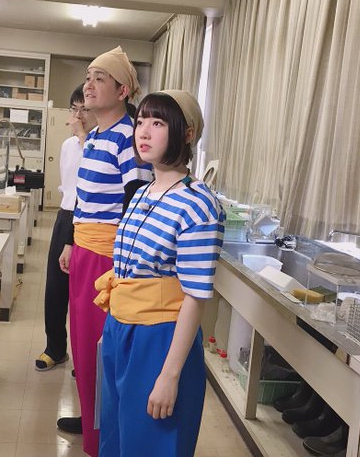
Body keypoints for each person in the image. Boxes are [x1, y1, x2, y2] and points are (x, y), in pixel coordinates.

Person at [94, 91, 225, 457]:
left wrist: (169, 375)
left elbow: (195, 296)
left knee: (150, 443)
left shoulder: (199, 204)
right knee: (117, 439)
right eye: (141, 122)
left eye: (158, 123)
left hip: (160, 338)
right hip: (121, 329)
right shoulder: (142, 192)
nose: (144, 131)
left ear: (187, 134)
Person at [57, 46, 152, 455]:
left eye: (100, 78)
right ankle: (90, 417)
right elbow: (82, 197)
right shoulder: (95, 135)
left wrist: (123, 263)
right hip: (83, 249)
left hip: (108, 258)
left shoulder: (129, 138)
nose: (89, 85)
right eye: (88, 76)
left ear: (123, 90)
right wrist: (70, 241)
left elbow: (137, 201)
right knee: (81, 344)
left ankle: (104, 434)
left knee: (102, 347)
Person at [35, 84, 97, 372]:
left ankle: (85, 357)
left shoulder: (99, 144)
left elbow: (91, 177)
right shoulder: (67, 145)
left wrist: (84, 137)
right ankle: (55, 348)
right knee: (55, 288)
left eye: (85, 109)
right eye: (75, 109)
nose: (79, 115)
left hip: (91, 221)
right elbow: (69, 184)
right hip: (66, 215)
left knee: (85, 294)